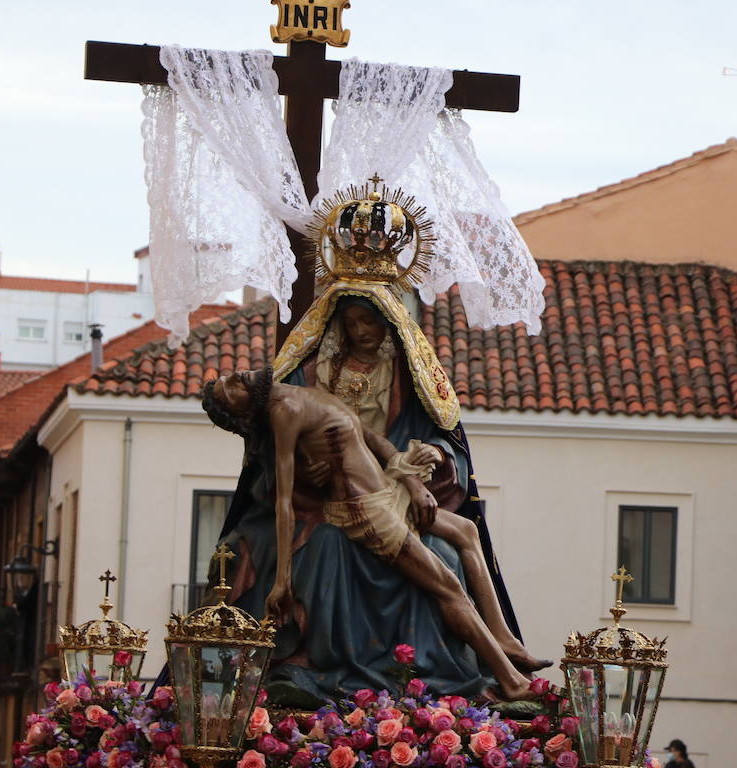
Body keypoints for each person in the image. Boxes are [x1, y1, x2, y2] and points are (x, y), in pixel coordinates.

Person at [214, 283, 536, 704]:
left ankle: (504, 638)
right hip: (357, 507)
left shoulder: (401, 375)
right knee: (441, 578)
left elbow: (390, 441)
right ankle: (504, 678)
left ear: (389, 323)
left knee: (464, 536)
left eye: (369, 320)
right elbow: (279, 484)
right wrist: (282, 578)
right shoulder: (302, 387)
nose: (361, 331)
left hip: (390, 487)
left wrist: (416, 479)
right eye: (351, 323)